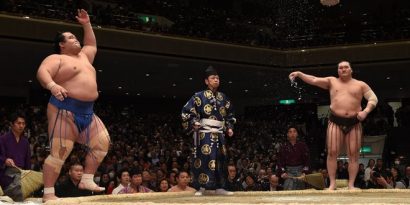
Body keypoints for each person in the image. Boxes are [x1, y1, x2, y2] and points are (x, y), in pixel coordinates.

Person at [36, 9, 110, 202]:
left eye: (76, 37)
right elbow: (43, 72)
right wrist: (52, 85)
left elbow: (91, 44)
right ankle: (49, 194)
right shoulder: (56, 58)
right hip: (64, 109)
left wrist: (86, 24)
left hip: (88, 111)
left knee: (102, 145)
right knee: (59, 153)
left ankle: (86, 179)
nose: (75, 39)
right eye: (70, 38)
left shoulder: (85, 57)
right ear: (61, 45)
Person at [289, 61, 378, 190]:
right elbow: (314, 80)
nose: (343, 69)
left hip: (354, 122)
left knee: (354, 154)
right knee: (332, 153)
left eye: (346, 67)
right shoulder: (332, 81)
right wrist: (299, 74)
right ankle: (332, 184)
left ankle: (351, 185)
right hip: (335, 121)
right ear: (337, 71)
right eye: (340, 68)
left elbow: (373, 98)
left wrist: (366, 111)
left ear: (351, 70)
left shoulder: (360, 84)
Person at [181, 66, 236, 196]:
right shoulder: (198, 96)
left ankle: (220, 187)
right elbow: (186, 112)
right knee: (204, 158)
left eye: (217, 78)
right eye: (213, 78)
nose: (216, 80)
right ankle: (201, 187)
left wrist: (229, 127)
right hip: (204, 133)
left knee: (220, 159)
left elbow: (230, 115)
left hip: (220, 134)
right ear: (206, 81)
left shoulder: (224, 97)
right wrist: (194, 122)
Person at [0, 113, 31, 201]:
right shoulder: (3, 139)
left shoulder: (25, 142)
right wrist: (4, 160)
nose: (21, 126)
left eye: (23, 123)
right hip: (6, 175)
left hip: (21, 174)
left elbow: (27, 162)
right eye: (18, 123)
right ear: (12, 124)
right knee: (18, 191)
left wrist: (27, 176)